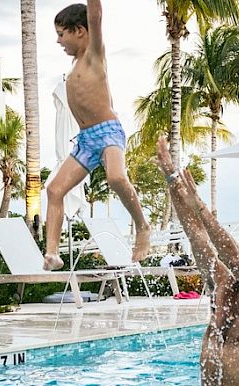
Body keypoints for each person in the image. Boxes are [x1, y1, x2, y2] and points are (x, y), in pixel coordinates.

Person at [153, 136, 239, 386]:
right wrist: (171, 179)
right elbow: (196, 235)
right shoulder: (223, 286)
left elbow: (236, 261)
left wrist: (200, 207)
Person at [41, 0, 152, 270]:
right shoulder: (74, 65)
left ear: (80, 30)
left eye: (61, 33)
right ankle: (52, 253)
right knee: (54, 189)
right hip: (86, 139)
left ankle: (142, 226)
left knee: (115, 176)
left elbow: (96, 13)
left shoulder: (94, 54)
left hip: (107, 132)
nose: (58, 41)